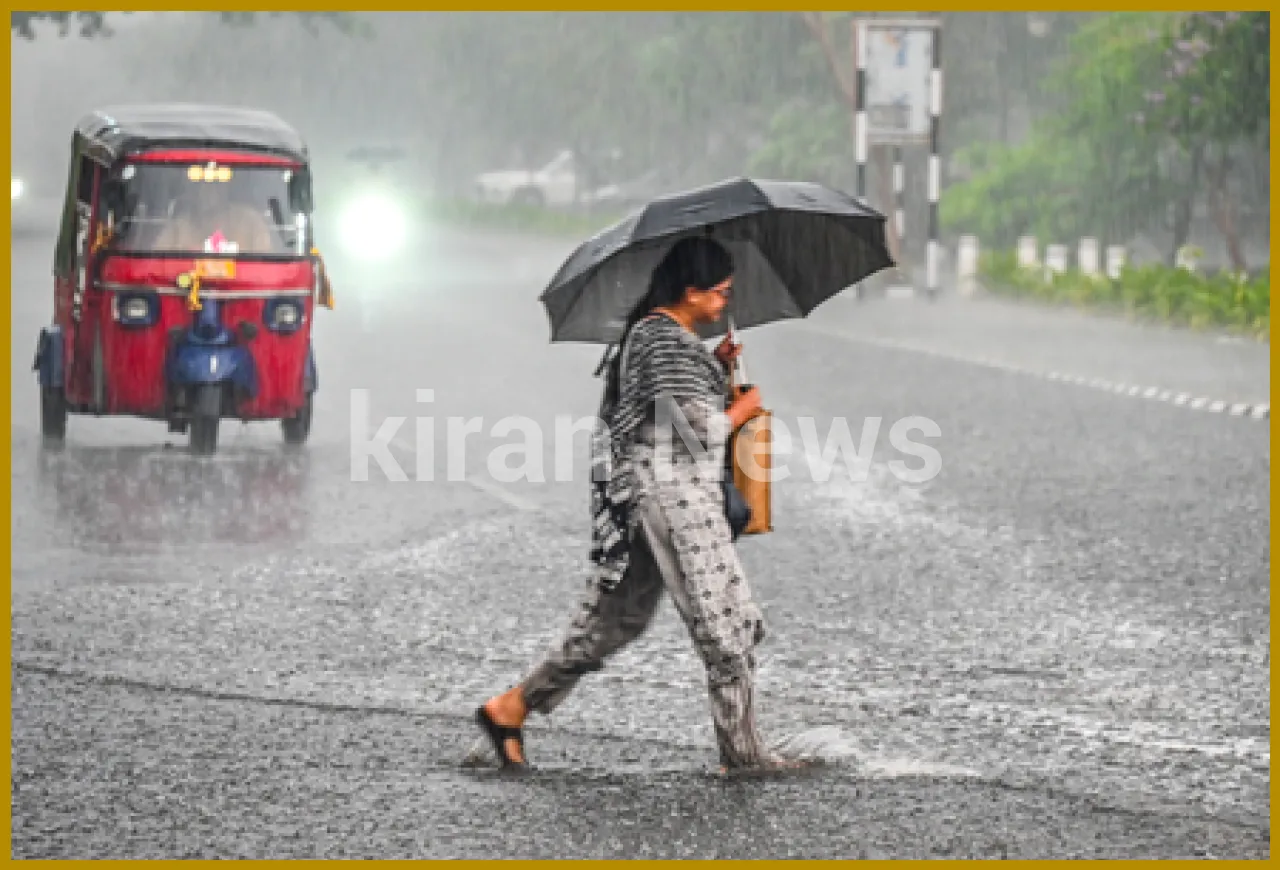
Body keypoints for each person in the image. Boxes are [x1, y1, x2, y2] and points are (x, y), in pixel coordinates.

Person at [476, 236, 803, 774]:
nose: (724, 305)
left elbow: (671, 408)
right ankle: (744, 757)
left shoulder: (662, 337)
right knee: (726, 627)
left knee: (613, 626)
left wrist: (713, 365)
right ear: (690, 291)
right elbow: (696, 430)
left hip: (651, 502)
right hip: (672, 499)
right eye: (718, 294)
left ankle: (508, 709)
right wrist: (742, 409)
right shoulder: (663, 341)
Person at [150, 176, 275, 254]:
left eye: (215, 184)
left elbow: (267, 266)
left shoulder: (250, 222)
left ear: (226, 188)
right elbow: (157, 263)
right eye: (201, 185)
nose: (207, 190)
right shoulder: (179, 227)